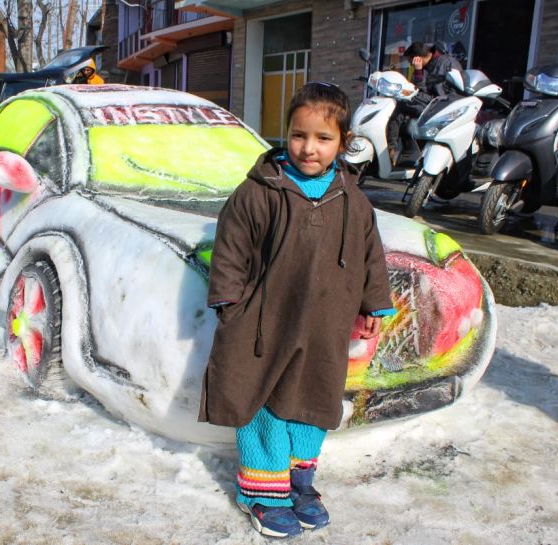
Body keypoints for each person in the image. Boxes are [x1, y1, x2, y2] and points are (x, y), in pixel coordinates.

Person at [198, 82, 396, 538]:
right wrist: (229, 301)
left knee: (314, 399)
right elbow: (231, 246)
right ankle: (263, 493)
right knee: (263, 398)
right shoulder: (260, 191)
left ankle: (298, 482)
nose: (309, 148)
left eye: (323, 139)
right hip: (265, 321)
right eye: (299, 135)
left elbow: (371, 254)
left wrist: (373, 305)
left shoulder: (352, 199)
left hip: (326, 322)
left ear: (343, 143)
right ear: (286, 133)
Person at [387, 41, 462, 163]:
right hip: (428, 102)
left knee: (400, 107)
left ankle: (391, 150)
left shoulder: (447, 63)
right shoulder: (423, 68)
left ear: (418, 58)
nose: (411, 64)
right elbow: (416, 90)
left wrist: (419, 71)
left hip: (442, 104)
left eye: (411, 61)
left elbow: (457, 89)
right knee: (398, 107)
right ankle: (400, 152)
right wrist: (418, 72)